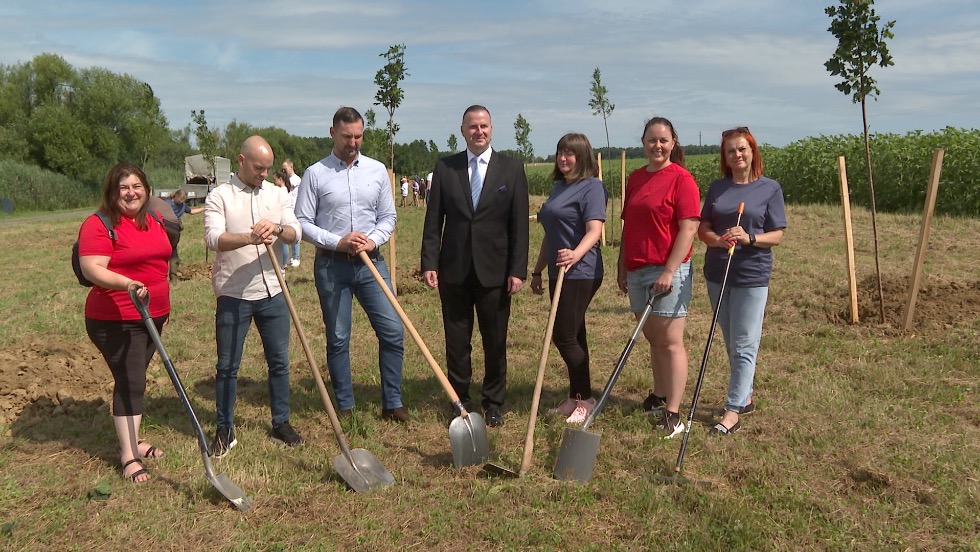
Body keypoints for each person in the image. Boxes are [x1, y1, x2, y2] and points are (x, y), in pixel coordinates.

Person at [293, 106, 409, 423]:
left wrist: (373, 240)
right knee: (339, 336)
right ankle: (345, 404)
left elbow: (389, 217)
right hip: (332, 266)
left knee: (392, 330)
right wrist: (337, 241)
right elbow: (302, 223)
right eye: (347, 137)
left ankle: (392, 401)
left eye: (358, 136)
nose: (353, 142)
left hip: (372, 263)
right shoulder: (315, 174)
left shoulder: (377, 171)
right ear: (333, 133)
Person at [421, 104, 530, 427]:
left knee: (495, 339)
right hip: (453, 268)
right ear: (462, 131)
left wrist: (517, 269)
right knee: (456, 339)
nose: (478, 132)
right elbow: (433, 221)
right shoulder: (446, 168)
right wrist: (429, 261)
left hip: (496, 272)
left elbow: (519, 226)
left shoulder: (511, 169)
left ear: (492, 129)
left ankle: (494, 400)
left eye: (483, 126)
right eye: (472, 127)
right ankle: (459, 399)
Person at [204, 135, 304, 457]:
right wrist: (249, 237)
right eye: (259, 168)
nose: (264, 173)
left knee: (279, 362)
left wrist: (276, 229)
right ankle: (225, 428)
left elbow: (295, 231)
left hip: (274, 291)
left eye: (268, 168)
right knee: (227, 366)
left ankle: (281, 423)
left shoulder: (277, 194)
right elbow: (213, 238)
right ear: (241, 160)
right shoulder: (220, 196)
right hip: (234, 293)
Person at [78, 162, 172, 483]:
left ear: (146, 189)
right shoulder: (99, 224)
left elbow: (161, 258)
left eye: (136, 186)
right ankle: (128, 455)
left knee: (135, 378)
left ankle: (134, 440)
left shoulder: (153, 219)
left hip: (152, 315)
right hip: (116, 317)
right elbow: (92, 268)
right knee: (131, 380)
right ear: (112, 192)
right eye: (123, 188)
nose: (131, 193)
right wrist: (126, 284)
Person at [698, 126, 786, 436]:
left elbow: (777, 235)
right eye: (731, 150)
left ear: (752, 152)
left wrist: (749, 237)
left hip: (751, 275)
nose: (737, 155)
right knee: (730, 339)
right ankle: (745, 395)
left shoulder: (769, 189)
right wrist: (717, 241)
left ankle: (732, 411)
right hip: (717, 273)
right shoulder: (718, 188)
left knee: (745, 343)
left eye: (742, 149)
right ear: (725, 156)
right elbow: (703, 228)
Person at [618, 116, 701, 440]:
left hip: (668, 270)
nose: (657, 146)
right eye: (652, 140)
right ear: (643, 142)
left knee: (670, 341)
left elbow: (689, 228)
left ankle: (674, 413)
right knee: (653, 339)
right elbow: (629, 224)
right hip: (637, 269)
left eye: (663, 140)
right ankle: (659, 394)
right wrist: (622, 265)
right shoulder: (636, 177)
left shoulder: (682, 179)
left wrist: (668, 270)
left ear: (673, 143)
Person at [530, 133, 607, 425]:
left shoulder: (592, 188)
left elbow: (594, 230)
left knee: (563, 335)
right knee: (575, 334)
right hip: (557, 270)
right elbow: (551, 234)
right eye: (560, 152)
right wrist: (538, 269)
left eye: (570, 153)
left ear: (583, 156)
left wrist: (575, 255)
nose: (563, 158)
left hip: (582, 270)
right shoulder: (559, 187)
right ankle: (576, 396)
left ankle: (586, 398)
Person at [162, 189, 203, 280]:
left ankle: (165, 276)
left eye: (182, 200)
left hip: (164, 229)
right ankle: (173, 277)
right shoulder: (181, 205)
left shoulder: (166, 203)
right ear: (175, 196)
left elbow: (191, 211)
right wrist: (204, 208)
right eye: (180, 200)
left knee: (164, 252)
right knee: (173, 252)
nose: (180, 202)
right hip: (174, 230)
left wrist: (204, 208)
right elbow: (192, 212)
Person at [281, 160, 302, 267]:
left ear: (291, 167)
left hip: (295, 209)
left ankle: (296, 257)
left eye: (285, 169)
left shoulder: (296, 179)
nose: (284, 171)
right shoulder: (287, 179)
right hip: (288, 209)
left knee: (295, 234)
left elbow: (289, 185)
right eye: (282, 169)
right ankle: (288, 257)